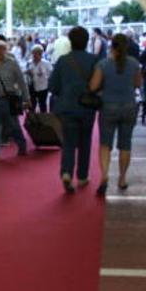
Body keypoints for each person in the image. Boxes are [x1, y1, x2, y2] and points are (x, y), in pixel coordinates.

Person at [88, 34, 143, 196]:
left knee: (105, 143)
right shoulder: (134, 64)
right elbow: (138, 84)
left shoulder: (103, 64)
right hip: (129, 107)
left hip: (108, 107)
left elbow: (93, 87)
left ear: (111, 46)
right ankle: (122, 178)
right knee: (125, 144)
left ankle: (104, 175)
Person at [49, 26, 98, 193]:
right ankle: (82, 176)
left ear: (70, 41)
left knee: (68, 142)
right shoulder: (95, 60)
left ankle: (66, 172)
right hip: (87, 107)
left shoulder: (63, 60)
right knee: (85, 142)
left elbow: (53, 86)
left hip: (66, 107)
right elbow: (98, 86)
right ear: (87, 41)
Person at [0, 38, 28, 159]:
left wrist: (26, 98)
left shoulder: (12, 63)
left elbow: (21, 81)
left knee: (14, 125)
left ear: (5, 50)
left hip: (10, 99)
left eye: (0, 49)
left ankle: (22, 146)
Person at [26, 44, 54, 113]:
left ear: (41, 54)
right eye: (33, 53)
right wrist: (28, 73)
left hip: (43, 87)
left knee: (42, 105)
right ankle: (32, 120)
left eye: (37, 53)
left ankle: (43, 120)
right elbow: (25, 74)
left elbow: (51, 75)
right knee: (32, 105)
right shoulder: (29, 63)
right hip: (32, 87)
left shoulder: (46, 63)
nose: (34, 56)